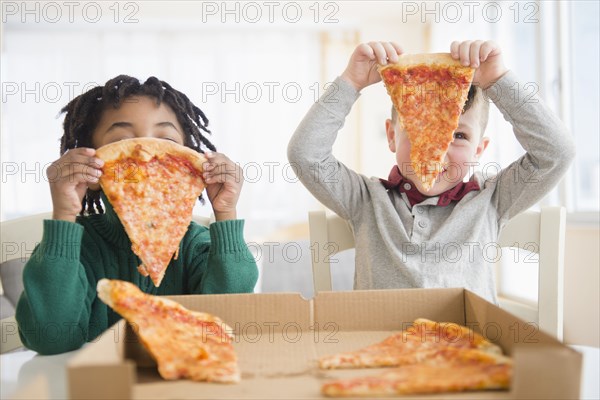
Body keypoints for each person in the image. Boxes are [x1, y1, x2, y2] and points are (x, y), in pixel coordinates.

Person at [288, 40, 575, 303]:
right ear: (391, 136)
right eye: (419, 130)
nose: (438, 149)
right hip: (382, 350)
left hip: (464, 351)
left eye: (459, 136)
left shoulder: (492, 200)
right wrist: (350, 83)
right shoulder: (365, 200)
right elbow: (305, 155)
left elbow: (556, 153)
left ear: (479, 149)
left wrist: (498, 81)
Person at [16, 75, 259, 355]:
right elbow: (52, 340)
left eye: (165, 140)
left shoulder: (196, 247)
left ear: (190, 168)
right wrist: (64, 214)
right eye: (122, 141)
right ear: (91, 166)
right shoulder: (74, 249)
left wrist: (226, 214)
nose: (145, 153)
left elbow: (229, 325)